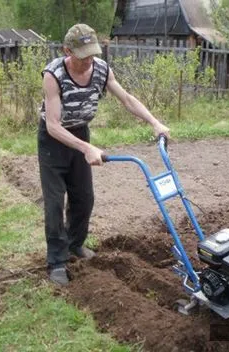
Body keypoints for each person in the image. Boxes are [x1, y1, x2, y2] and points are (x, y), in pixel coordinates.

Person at [38, 24, 170, 286]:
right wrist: (87, 148)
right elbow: (53, 125)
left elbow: (127, 99)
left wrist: (155, 122)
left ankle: (75, 245)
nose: (89, 60)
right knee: (54, 203)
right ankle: (57, 261)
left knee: (84, 198)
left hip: (80, 133)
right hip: (54, 140)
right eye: (82, 55)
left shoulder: (100, 68)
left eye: (92, 53)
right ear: (67, 50)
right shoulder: (53, 74)